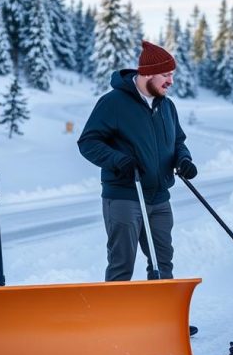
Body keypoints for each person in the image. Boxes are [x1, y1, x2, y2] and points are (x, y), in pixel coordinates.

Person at [78, 40, 197, 286]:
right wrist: (118, 160)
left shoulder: (167, 106)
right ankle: (115, 322)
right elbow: (88, 142)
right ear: (147, 74)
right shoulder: (113, 103)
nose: (170, 81)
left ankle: (161, 319)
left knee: (162, 263)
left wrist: (183, 159)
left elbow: (178, 141)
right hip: (124, 195)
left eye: (172, 75)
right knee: (122, 264)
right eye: (166, 74)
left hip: (159, 198)